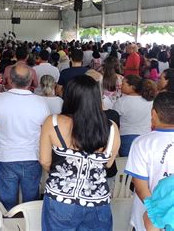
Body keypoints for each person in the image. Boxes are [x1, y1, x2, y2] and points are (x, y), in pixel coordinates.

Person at [39, 75, 120, 231]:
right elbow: (108, 164)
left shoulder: (53, 122)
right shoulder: (111, 128)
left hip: (61, 200)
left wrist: (64, 172)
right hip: (98, 203)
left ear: (69, 96)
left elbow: (45, 161)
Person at [0, 63, 50, 210]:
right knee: (30, 201)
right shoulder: (40, 102)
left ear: (9, 80)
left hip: (6, 157)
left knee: (7, 202)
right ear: (31, 81)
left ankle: (9, 224)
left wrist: (1, 144)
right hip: (32, 157)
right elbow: (45, 133)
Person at [125, 91, 174, 231]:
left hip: (147, 220)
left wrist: (156, 218)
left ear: (153, 113)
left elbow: (140, 187)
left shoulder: (142, 143)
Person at [113, 75, 157, 156]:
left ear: (132, 87)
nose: (120, 86)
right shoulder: (150, 101)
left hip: (126, 136)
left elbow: (114, 120)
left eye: (123, 84)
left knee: (126, 162)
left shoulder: (121, 102)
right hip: (146, 136)